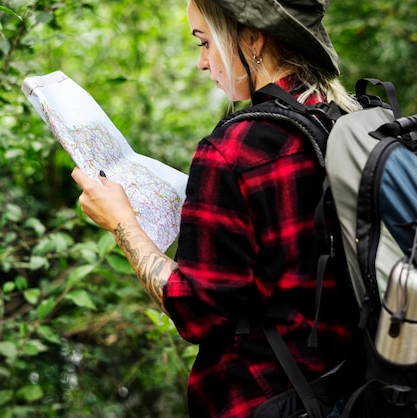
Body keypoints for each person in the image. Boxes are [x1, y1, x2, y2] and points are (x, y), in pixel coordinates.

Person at [71, 0, 361, 416]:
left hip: (266, 398)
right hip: (347, 388)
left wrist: (122, 224)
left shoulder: (233, 151)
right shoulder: (338, 118)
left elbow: (197, 311)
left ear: (253, 39)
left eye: (206, 43)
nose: (202, 63)